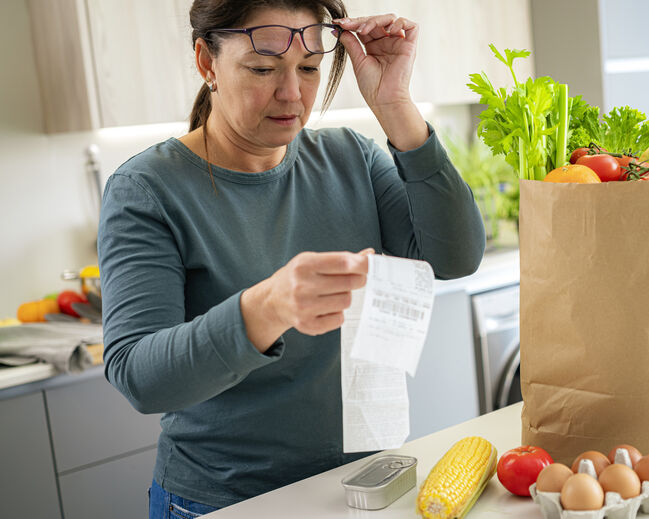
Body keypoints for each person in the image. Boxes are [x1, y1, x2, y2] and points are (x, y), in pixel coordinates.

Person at [97, 0, 485, 516]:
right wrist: (267, 308)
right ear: (207, 62)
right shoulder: (146, 189)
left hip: (360, 486)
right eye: (262, 69)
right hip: (225, 501)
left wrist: (395, 106)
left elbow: (455, 257)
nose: (291, 93)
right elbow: (139, 376)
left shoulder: (352, 157)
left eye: (308, 69)